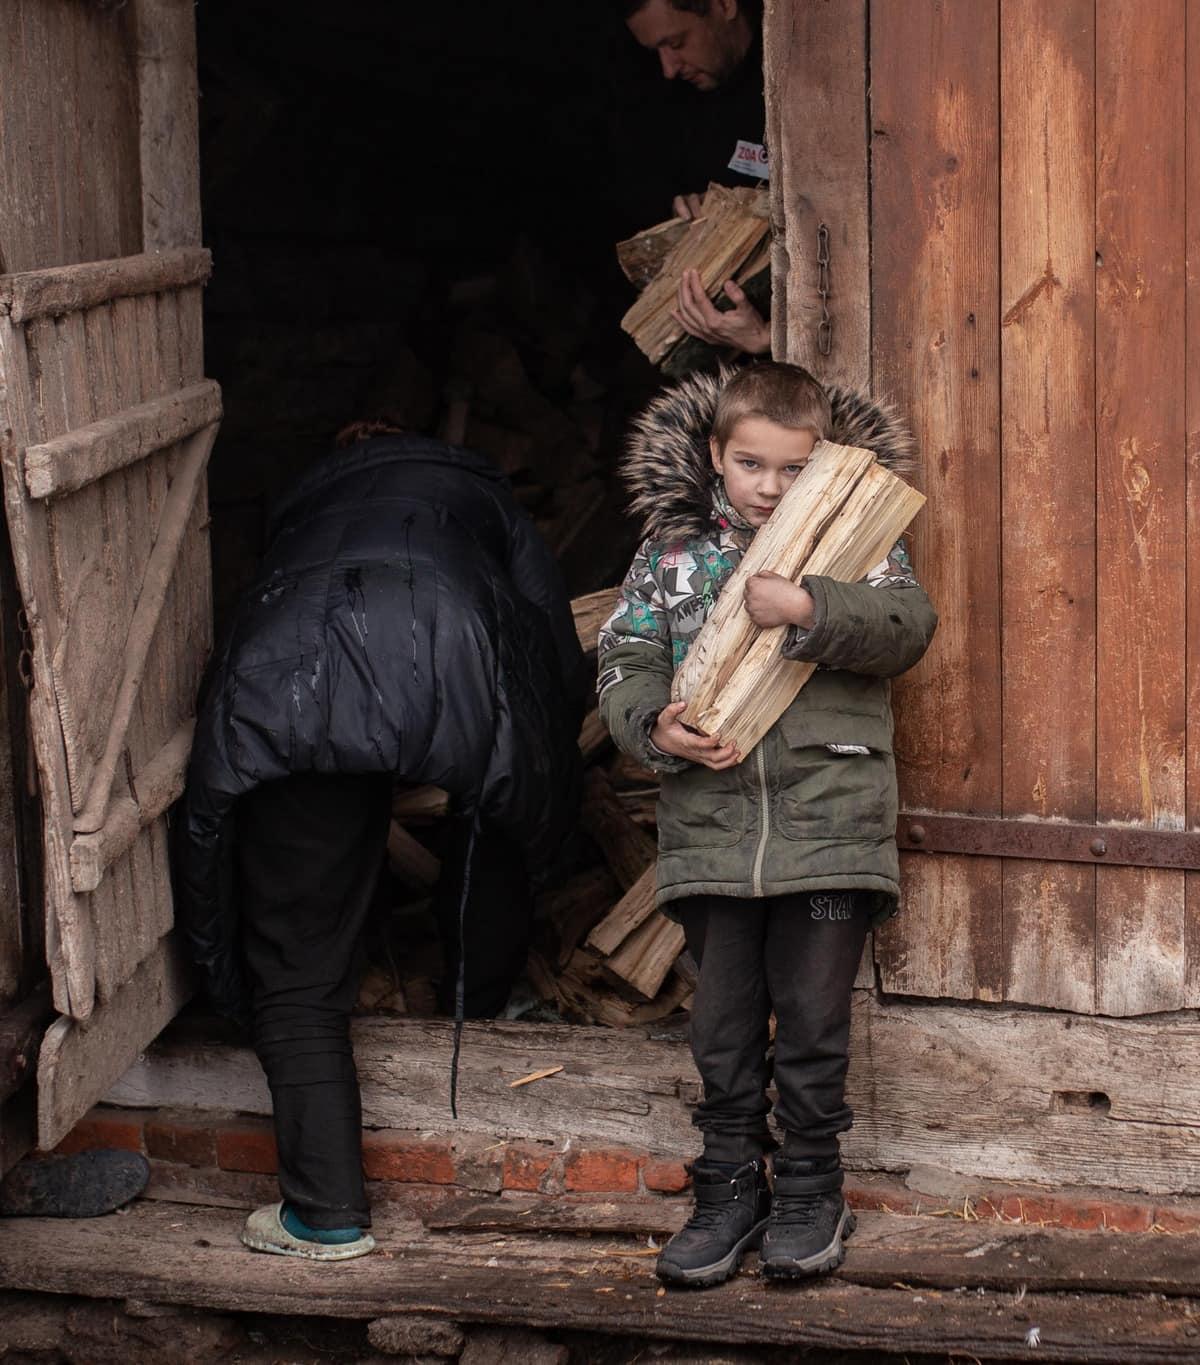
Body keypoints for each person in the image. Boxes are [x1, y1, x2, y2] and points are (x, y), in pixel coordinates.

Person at [173, 422, 585, 1261]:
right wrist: (545, 774)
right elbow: (555, 655)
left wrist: (220, 978)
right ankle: (480, 993)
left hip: (289, 691)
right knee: (493, 814)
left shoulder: (303, 511)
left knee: (296, 971)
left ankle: (324, 1213)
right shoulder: (480, 497)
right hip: (453, 663)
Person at [596, 362, 934, 1286]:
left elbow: (908, 625)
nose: (770, 487)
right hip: (713, 832)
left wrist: (811, 605)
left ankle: (812, 1189)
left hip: (830, 826)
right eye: (751, 465)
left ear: (820, 461)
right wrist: (654, 725)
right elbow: (624, 656)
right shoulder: (669, 555)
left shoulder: (855, 541)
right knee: (724, 1025)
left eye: (792, 468)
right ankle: (729, 1186)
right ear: (716, 455)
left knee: (817, 1018)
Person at [615, 0, 772, 358]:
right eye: (656, 51)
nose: (668, 68)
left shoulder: (805, 76)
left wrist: (773, 336)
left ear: (725, 5)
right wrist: (681, 212)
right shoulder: (677, 107)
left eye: (676, 42)